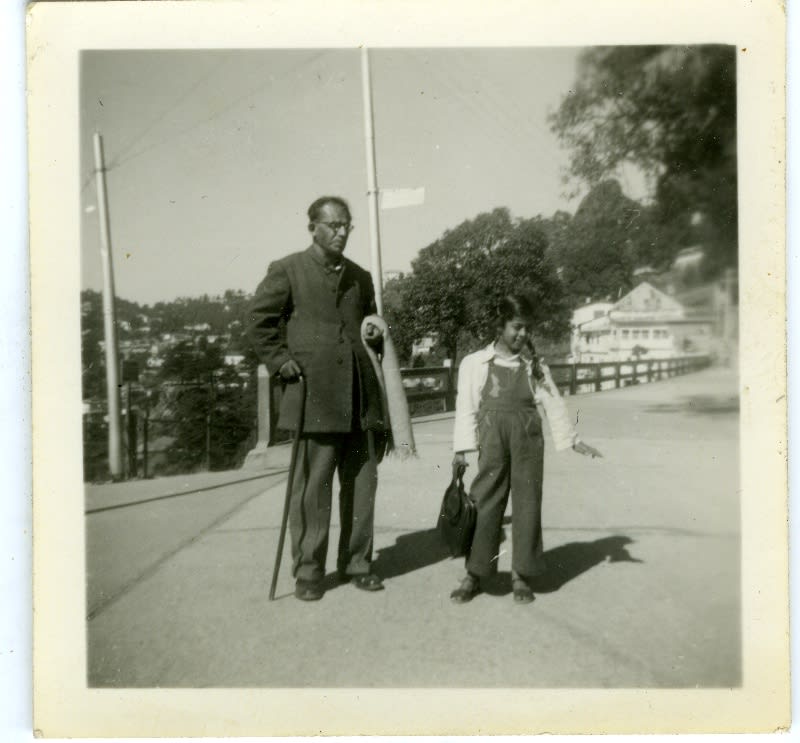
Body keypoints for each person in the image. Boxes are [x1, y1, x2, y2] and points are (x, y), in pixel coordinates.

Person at [248, 196, 387, 601]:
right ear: (313, 227)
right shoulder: (288, 270)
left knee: (362, 485)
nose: (342, 232)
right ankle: (309, 572)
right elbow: (258, 320)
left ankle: (359, 563)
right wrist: (279, 361)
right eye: (334, 225)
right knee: (313, 490)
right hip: (315, 396)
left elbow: (370, 323)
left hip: (361, 397)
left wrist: (375, 331)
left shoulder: (361, 277)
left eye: (347, 226)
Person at [450, 294, 602, 605]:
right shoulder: (475, 363)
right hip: (492, 441)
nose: (522, 334)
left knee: (528, 504)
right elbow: (465, 407)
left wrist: (572, 440)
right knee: (485, 502)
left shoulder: (534, 366)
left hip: (528, 441)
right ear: (500, 325)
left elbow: (554, 403)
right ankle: (475, 573)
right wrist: (461, 450)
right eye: (516, 327)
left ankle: (521, 573)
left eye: (526, 329)